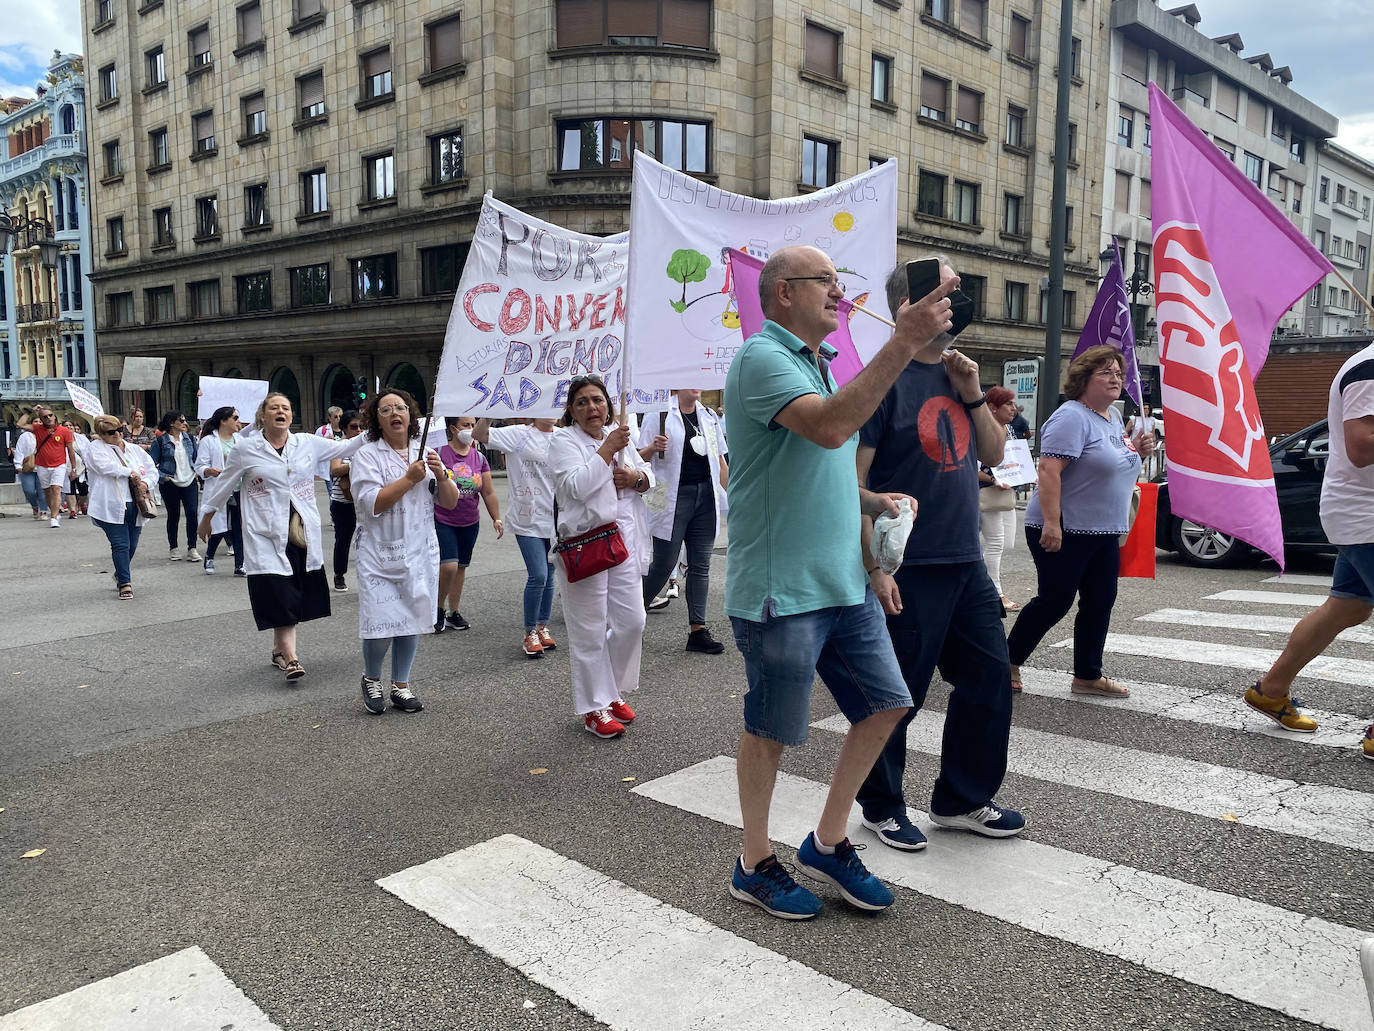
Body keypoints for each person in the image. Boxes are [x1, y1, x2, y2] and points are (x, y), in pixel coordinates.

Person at [724, 244, 954, 920]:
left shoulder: (820, 364)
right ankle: (753, 862)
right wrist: (907, 341)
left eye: (837, 278)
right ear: (782, 294)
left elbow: (815, 461)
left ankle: (826, 842)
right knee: (771, 727)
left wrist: (868, 501)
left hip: (840, 582)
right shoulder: (761, 358)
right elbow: (828, 428)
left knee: (887, 702)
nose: (837, 289)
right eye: (823, 280)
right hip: (781, 588)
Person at [856, 259, 1024, 855]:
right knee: (895, 694)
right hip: (908, 566)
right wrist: (874, 568)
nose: (958, 297)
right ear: (911, 303)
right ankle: (879, 804)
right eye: (946, 289)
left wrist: (974, 394)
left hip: (965, 559)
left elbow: (995, 452)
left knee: (987, 678)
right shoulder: (880, 380)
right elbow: (851, 483)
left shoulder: (959, 378)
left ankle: (960, 799)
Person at [1242, 340, 1374, 760]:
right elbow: (1361, 445)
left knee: (1348, 608)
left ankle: (1272, 689)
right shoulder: (1368, 367)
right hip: (1366, 517)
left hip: (1360, 515)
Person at [1006, 345, 1152, 697]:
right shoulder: (1071, 416)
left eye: (1118, 372)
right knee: (1055, 600)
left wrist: (1138, 450)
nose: (1115, 378)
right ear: (1083, 378)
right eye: (1106, 372)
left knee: (1101, 600)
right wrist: (1053, 523)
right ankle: (1005, 663)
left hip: (1104, 529)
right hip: (1064, 527)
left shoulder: (1113, 418)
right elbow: (1049, 470)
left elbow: (1111, 464)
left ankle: (1087, 674)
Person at [197, 392, 366, 682]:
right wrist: (207, 516)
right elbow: (225, 483)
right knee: (279, 590)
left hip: (299, 531)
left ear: (291, 415)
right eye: (274, 407)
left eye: (285, 408)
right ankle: (291, 658)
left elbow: (350, 444)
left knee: (291, 589)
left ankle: (278, 650)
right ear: (263, 415)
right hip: (264, 531)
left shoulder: (307, 443)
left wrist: (380, 421)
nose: (280, 412)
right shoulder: (246, 448)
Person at [549, 375, 654, 738]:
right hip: (585, 543)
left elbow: (649, 478)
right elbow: (575, 487)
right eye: (582, 402)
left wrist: (635, 476)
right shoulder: (564, 440)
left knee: (632, 622)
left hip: (621, 542)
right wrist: (607, 450)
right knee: (589, 630)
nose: (592, 407)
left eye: (597, 400)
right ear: (571, 412)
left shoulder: (621, 434)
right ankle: (594, 706)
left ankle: (610, 691)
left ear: (608, 403)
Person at [349, 390, 458, 714]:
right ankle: (371, 678)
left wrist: (440, 474)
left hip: (418, 551)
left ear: (411, 416)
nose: (395, 413)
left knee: (411, 619)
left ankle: (401, 685)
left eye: (400, 407)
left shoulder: (426, 453)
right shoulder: (367, 455)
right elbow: (372, 504)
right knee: (381, 622)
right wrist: (409, 478)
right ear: (376, 419)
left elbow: (450, 502)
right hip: (379, 554)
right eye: (386, 409)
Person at [638, 390, 730, 654]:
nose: (697, 386)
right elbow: (637, 458)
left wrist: (732, 497)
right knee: (665, 564)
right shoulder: (660, 414)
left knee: (701, 564)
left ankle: (698, 630)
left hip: (705, 497)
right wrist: (653, 448)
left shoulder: (709, 416)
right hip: (672, 499)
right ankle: (632, 617)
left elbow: (720, 462)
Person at [474, 416, 560, 657]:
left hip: (554, 518)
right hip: (527, 519)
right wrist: (490, 412)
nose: (550, 411)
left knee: (550, 575)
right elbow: (479, 435)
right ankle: (530, 631)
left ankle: (543, 627)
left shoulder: (563, 436)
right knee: (539, 575)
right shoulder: (519, 434)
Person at [434, 415, 503, 632]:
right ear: (453, 429)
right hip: (443, 519)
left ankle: (453, 612)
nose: (471, 430)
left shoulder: (480, 458)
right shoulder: (439, 453)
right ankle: (436, 609)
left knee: (461, 567)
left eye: (474, 425)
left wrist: (496, 518)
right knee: (449, 565)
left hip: (469, 521)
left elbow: (488, 492)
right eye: (466, 425)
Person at [85, 414, 159, 600]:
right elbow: (105, 467)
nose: (117, 435)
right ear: (101, 434)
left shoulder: (134, 449)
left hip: (136, 503)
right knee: (120, 544)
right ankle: (125, 583)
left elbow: (151, 470)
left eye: (119, 430)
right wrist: (130, 472)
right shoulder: (95, 448)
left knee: (132, 545)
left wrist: (146, 483)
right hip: (110, 504)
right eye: (111, 432)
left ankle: (120, 571)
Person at [978, 386, 1022, 612]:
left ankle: (982, 586)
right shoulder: (984, 430)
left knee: (1006, 544)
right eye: (1008, 404)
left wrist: (1023, 474)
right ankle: (996, 594)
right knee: (995, 544)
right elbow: (972, 467)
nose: (1013, 408)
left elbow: (1015, 460)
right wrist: (993, 480)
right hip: (988, 491)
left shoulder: (1009, 429)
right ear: (993, 408)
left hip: (1005, 491)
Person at [195, 407, 246, 576]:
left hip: (239, 490)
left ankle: (240, 564)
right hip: (220, 490)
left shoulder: (240, 440)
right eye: (235, 418)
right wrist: (209, 471)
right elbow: (199, 465)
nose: (238, 421)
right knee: (219, 528)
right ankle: (209, 556)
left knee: (239, 528)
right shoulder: (209, 441)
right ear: (224, 421)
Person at [151, 411, 201, 563]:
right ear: (172, 423)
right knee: (173, 515)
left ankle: (192, 547)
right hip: (170, 481)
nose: (185, 423)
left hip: (190, 480)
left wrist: (196, 471)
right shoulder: (160, 441)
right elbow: (151, 463)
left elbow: (196, 458)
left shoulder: (190, 439)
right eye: (182, 420)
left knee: (192, 513)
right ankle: (174, 547)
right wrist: (162, 477)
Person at [327, 410, 363, 591]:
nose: (358, 430)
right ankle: (339, 575)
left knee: (367, 540)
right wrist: (354, 464)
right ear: (344, 429)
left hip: (364, 501)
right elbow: (335, 470)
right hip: (344, 502)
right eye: (353, 427)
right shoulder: (340, 446)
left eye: (361, 426)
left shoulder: (368, 446)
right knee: (343, 539)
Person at [31, 407, 78, 528]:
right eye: (45, 417)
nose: (48, 418)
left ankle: (54, 518)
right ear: (41, 419)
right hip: (42, 465)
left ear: (54, 416)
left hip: (59, 464)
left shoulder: (64, 431)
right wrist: (29, 411)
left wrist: (73, 468)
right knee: (47, 492)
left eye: (50, 415)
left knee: (56, 489)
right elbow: (20, 424)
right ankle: (54, 512)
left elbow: (71, 451)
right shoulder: (37, 429)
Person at [12, 423, 46, 519]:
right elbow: (19, 450)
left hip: (42, 466)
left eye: (40, 421)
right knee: (28, 490)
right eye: (36, 421)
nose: (38, 423)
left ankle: (43, 510)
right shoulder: (25, 436)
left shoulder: (46, 433)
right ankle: (35, 505)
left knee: (42, 491)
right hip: (28, 466)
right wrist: (18, 464)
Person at [61, 419, 90, 518]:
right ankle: (72, 510)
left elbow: (88, 451)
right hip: (66, 468)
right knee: (69, 489)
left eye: (70, 425)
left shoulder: (81, 439)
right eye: (66, 425)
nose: (68, 427)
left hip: (81, 468)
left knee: (83, 491)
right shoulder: (59, 439)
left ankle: (80, 504)